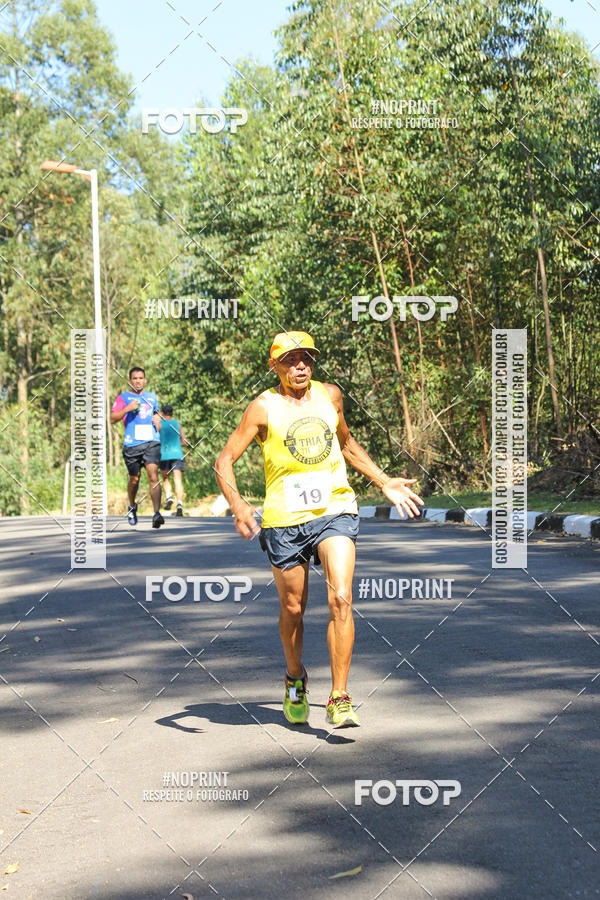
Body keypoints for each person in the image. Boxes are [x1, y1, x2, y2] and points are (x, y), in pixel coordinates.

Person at [214, 331, 423, 728]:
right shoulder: (262, 408)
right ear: (275, 366)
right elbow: (224, 460)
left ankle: (339, 696)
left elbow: (345, 443)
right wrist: (238, 504)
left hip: (335, 509)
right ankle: (295, 678)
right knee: (293, 609)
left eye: (307, 358)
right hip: (285, 520)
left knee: (341, 598)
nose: (300, 365)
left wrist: (382, 480)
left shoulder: (331, 395)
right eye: (291, 359)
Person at [110, 366, 164, 529]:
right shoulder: (123, 398)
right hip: (132, 444)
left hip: (151, 442)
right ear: (130, 380)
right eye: (135, 378)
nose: (138, 381)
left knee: (153, 476)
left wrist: (158, 422)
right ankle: (132, 507)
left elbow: (157, 416)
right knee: (134, 479)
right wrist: (127, 409)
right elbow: (112, 418)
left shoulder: (152, 397)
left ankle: (156, 513)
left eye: (141, 378)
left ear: (145, 380)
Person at [159, 404, 189, 517]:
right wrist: (177, 444)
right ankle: (180, 504)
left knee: (165, 478)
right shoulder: (177, 424)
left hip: (164, 455)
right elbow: (184, 442)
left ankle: (168, 497)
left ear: (162, 413)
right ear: (172, 413)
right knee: (178, 480)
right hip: (177, 454)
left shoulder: (159, 424)